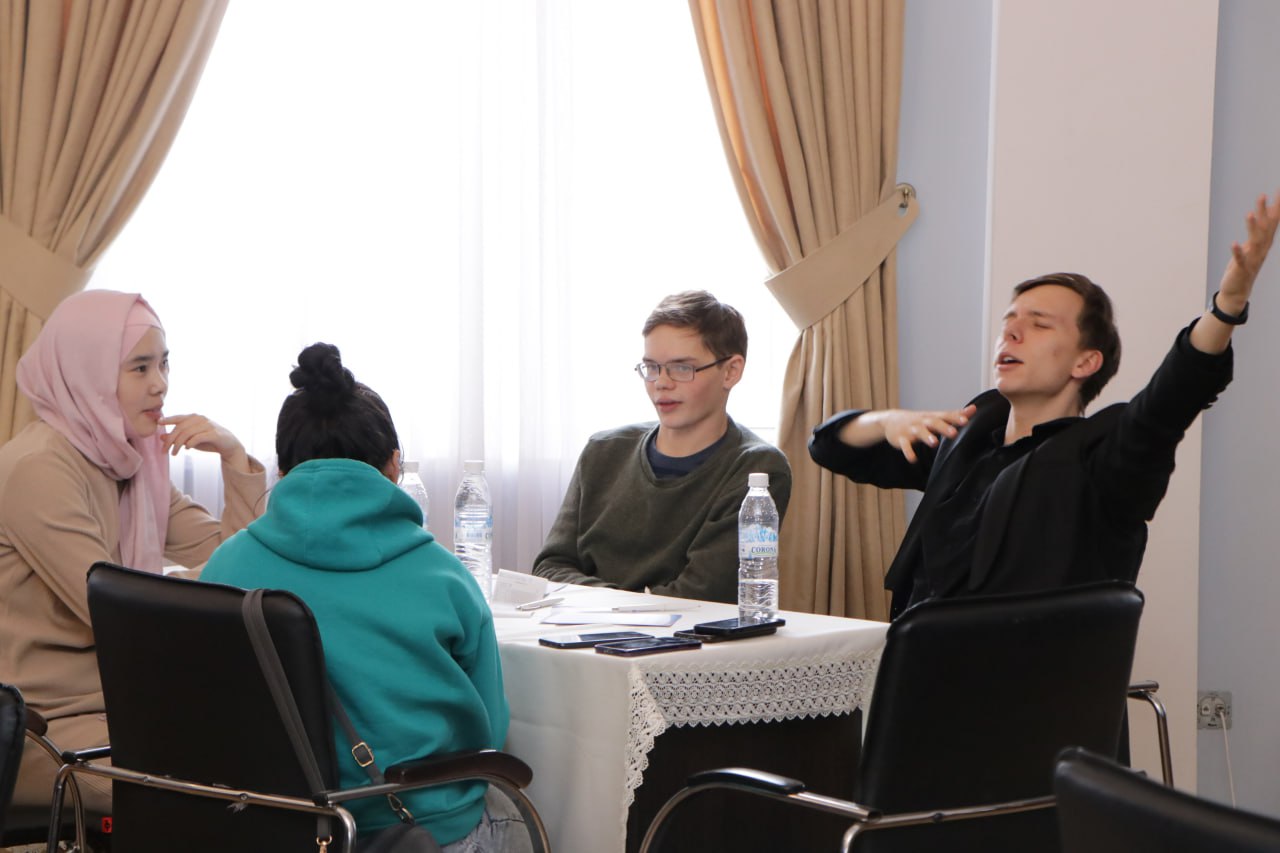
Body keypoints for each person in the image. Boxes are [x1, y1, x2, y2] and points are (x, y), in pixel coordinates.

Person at [809, 192, 1279, 619]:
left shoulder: (1106, 455)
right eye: (1009, 321)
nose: (1011, 333)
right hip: (914, 666)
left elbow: (1173, 397)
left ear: (1085, 362)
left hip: (1026, 681)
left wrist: (1227, 305)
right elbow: (829, 447)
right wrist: (887, 421)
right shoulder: (967, 435)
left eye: (1039, 324)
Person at [201, 343, 526, 852]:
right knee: (515, 812)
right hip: (421, 830)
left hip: (273, 827)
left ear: (282, 470)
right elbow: (489, 730)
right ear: (395, 466)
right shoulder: (443, 577)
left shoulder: (225, 568)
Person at [0, 289, 266, 815]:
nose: (160, 384)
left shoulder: (132, 462)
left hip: (127, 708)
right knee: (225, 794)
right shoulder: (38, 469)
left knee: (270, 762)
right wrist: (208, 585)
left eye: (164, 363)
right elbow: (118, 606)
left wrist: (234, 458)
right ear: (88, 373)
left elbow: (241, 561)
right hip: (47, 728)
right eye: (140, 367)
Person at [533, 290, 791, 602]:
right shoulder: (603, 451)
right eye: (652, 367)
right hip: (583, 629)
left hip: (684, 634)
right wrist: (623, 605)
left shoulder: (757, 468)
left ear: (730, 371)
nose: (661, 383)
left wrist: (600, 602)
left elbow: (699, 595)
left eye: (682, 368)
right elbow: (549, 567)